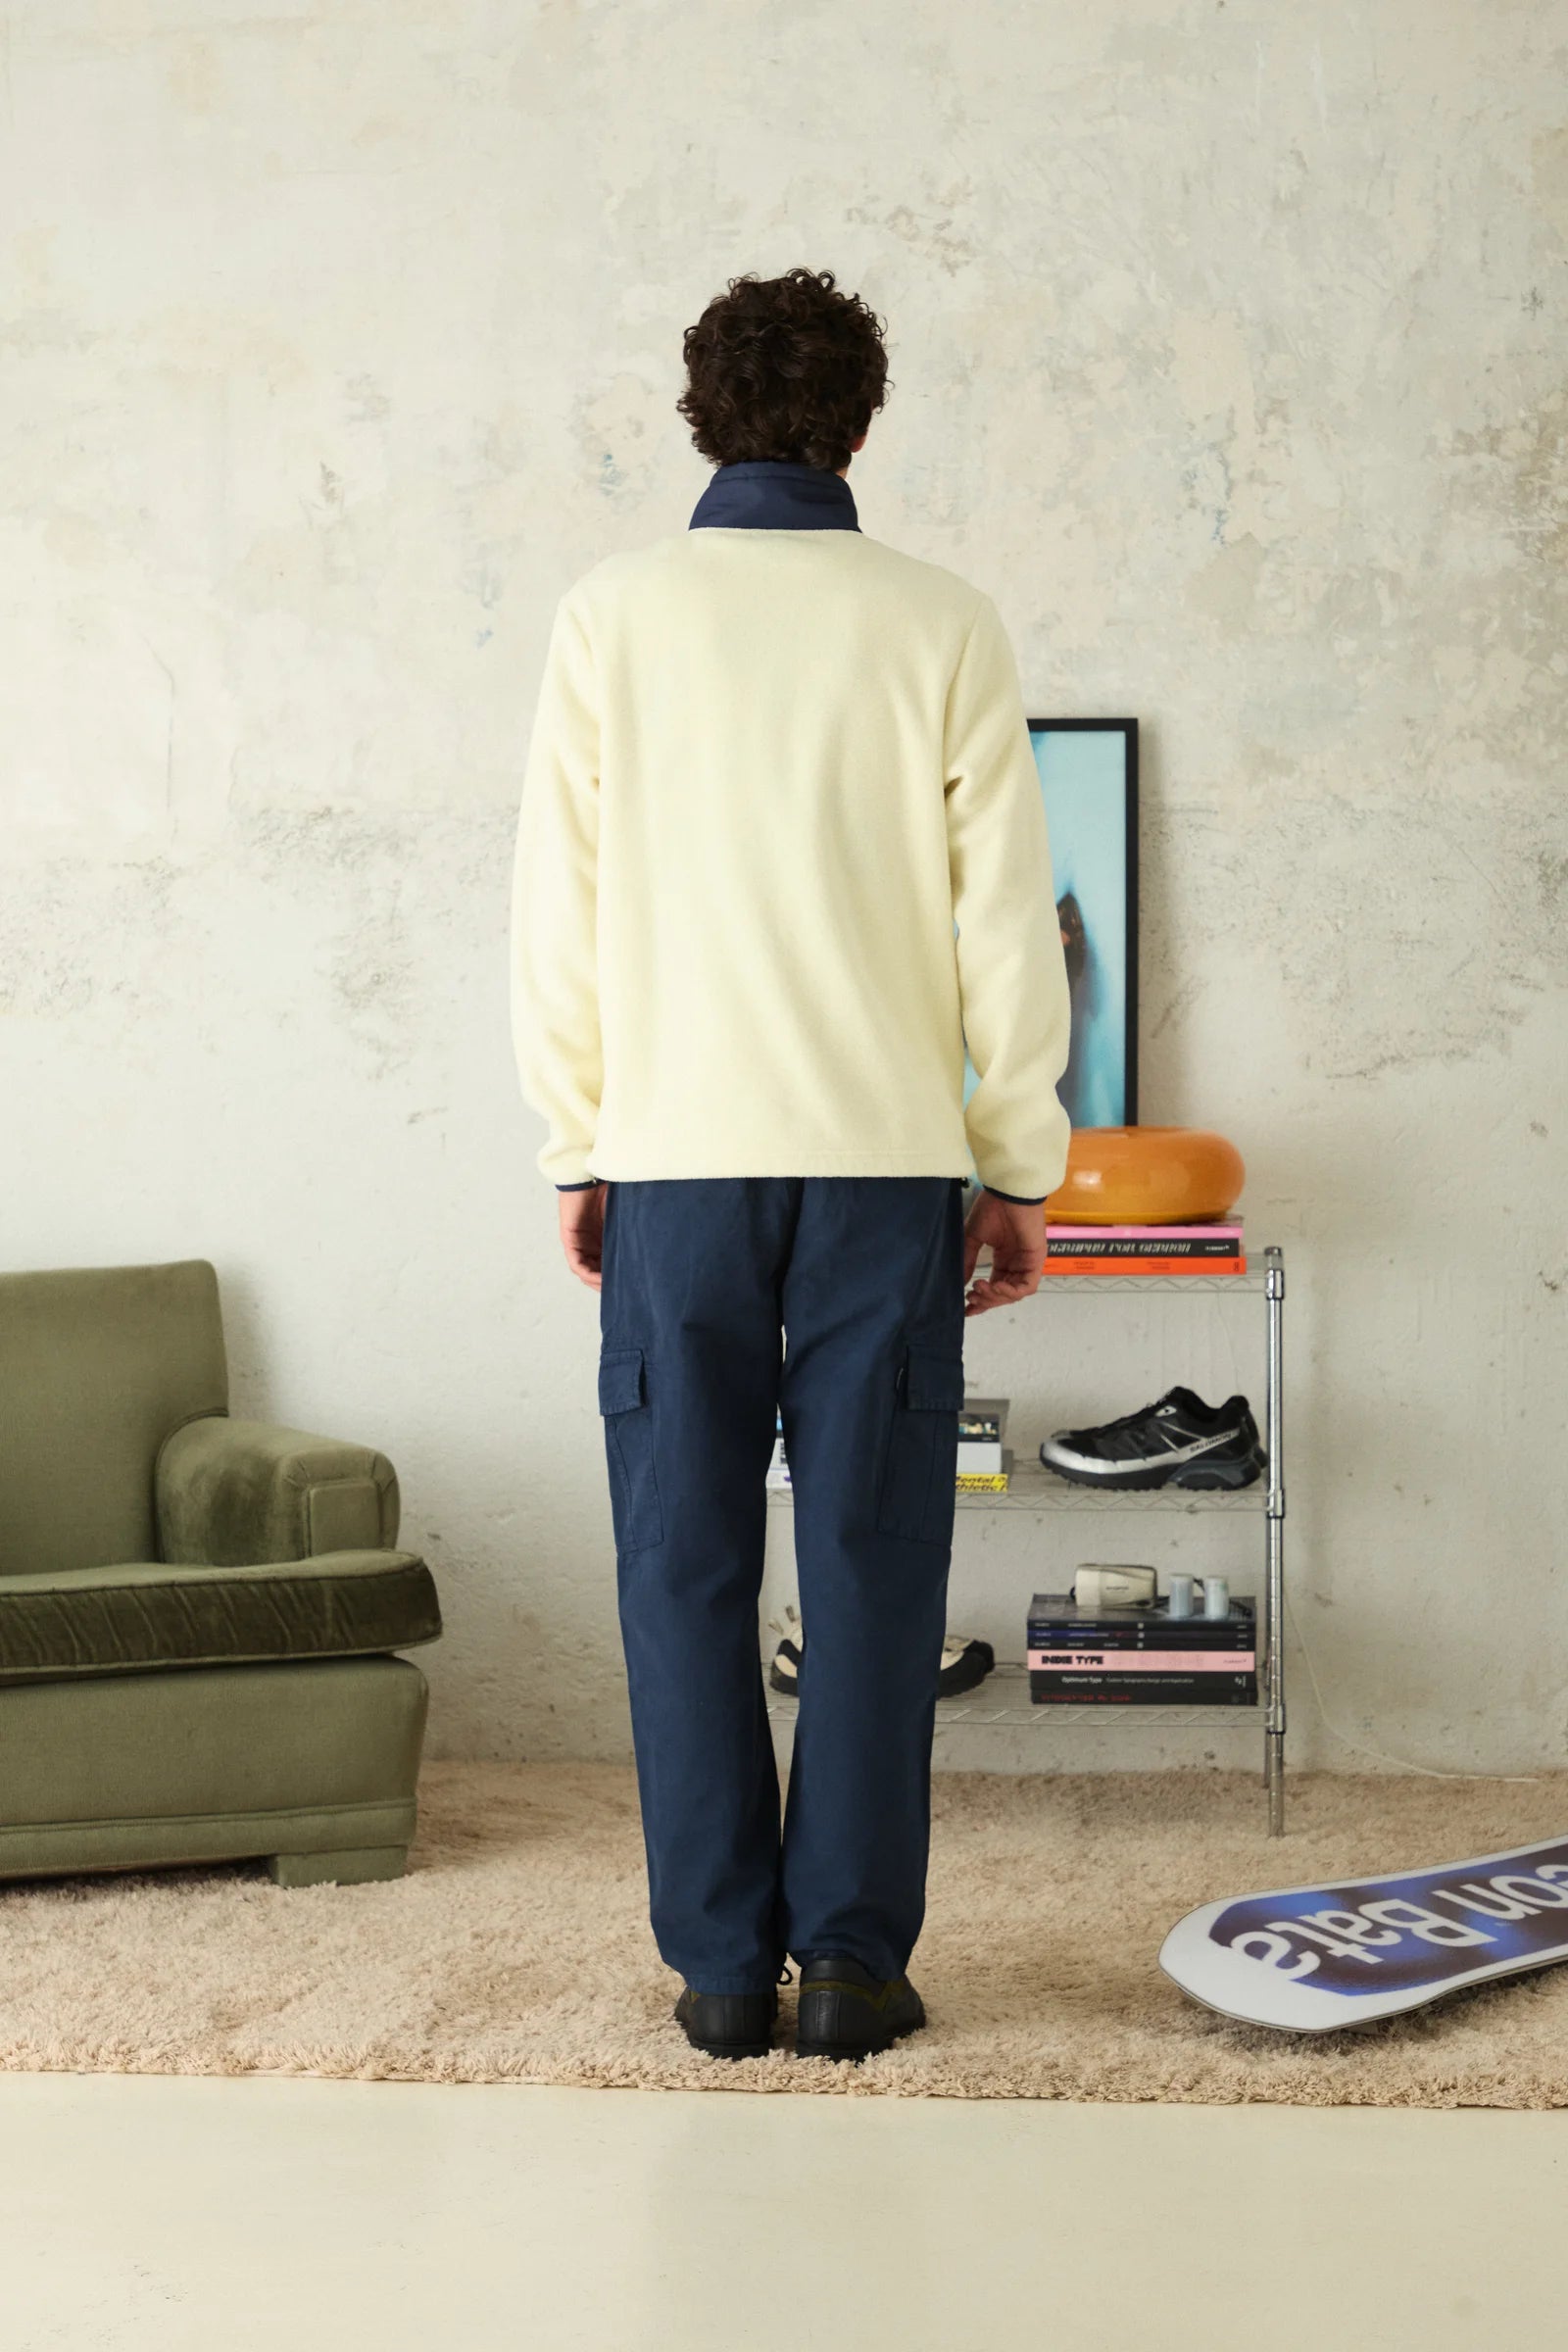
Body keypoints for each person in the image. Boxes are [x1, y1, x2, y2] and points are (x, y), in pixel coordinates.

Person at [510, 267, 1072, 2063]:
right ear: (860, 419)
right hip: (884, 1174)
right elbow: (1007, 927)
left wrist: (580, 1140)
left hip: (675, 1167)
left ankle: (720, 1971)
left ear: (701, 414)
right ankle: (846, 1965)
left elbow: (558, 914)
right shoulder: (941, 623)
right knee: (874, 1561)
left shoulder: (612, 617)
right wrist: (1019, 1165)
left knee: (680, 1564)